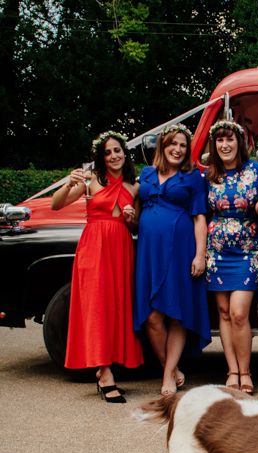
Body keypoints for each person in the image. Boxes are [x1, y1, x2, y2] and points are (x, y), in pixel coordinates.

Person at [51, 131, 143, 403]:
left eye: (118, 150)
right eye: (108, 152)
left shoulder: (133, 185)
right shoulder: (91, 180)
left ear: (125, 153)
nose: (114, 156)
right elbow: (57, 204)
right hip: (94, 246)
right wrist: (69, 184)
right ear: (101, 157)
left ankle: (108, 366)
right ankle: (104, 374)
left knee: (116, 308)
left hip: (121, 247)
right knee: (96, 307)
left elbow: (135, 223)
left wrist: (131, 218)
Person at [134, 124, 211, 396]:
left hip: (180, 250)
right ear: (162, 147)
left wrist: (200, 255)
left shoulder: (193, 178)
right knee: (152, 316)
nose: (178, 149)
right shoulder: (145, 174)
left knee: (176, 313)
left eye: (182, 145)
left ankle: (167, 375)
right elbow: (133, 206)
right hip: (149, 253)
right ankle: (171, 366)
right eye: (172, 144)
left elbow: (200, 218)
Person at [205, 119, 258, 393]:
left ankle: (246, 371)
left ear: (239, 143)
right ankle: (231, 371)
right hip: (216, 250)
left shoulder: (256, 170)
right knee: (224, 312)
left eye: (230, 139)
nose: (225, 145)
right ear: (214, 145)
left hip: (246, 250)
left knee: (239, 313)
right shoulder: (208, 175)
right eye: (220, 140)